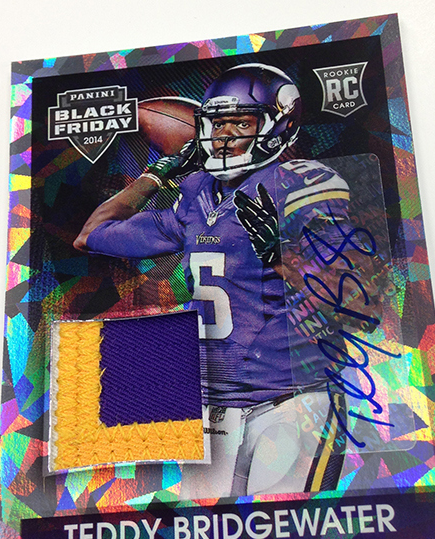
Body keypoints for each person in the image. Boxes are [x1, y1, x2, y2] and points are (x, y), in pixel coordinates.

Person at [73, 64, 378, 498]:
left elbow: (357, 305)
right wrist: (158, 173)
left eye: (242, 123)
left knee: (281, 529)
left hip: (291, 398)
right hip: (214, 403)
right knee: (207, 531)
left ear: (278, 125)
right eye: (218, 124)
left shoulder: (301, 185)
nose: (225, 137)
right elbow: (91, 235)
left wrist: (282, 256)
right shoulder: (197, 194)